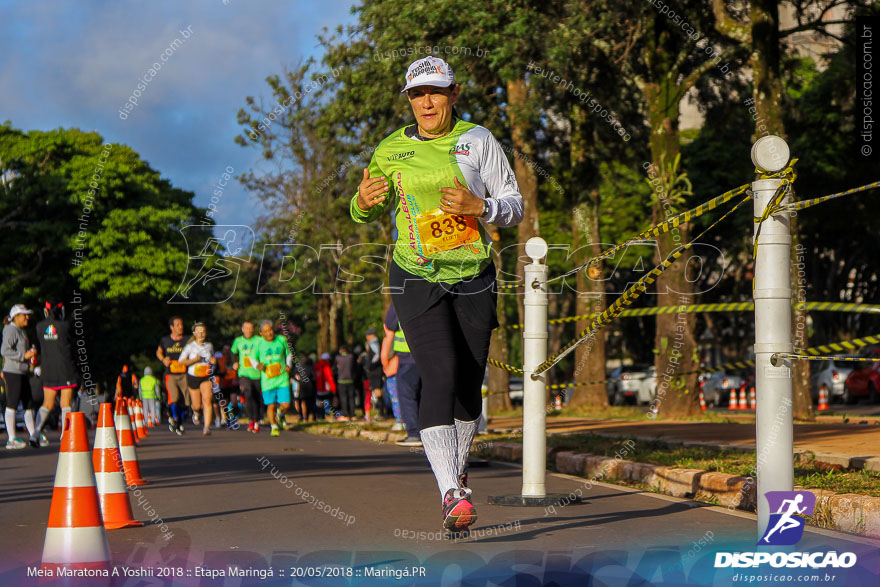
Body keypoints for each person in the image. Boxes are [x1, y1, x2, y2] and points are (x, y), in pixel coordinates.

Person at [349, 56, 523, 532]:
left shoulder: (478, 140)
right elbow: (365, 206)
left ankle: (457, 470)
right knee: (439, 371)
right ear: (409, 100)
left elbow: (514, 205)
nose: (426, 102)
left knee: (468, 382)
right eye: (417, 94)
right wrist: (361, 203)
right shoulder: (390, 149)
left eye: (436, 92)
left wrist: (480, 205)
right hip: (415, 273)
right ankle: (450, 491)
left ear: (454, 93)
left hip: (473, 273)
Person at [33, 299, 79, 445]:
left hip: (48, 369)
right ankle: (65, 436)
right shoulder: (65, 326)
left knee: (47, 404)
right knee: (66, 404)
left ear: (46, 311)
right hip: (65, 369)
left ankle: (35, 433)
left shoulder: (39, 327)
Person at [383, 304, 422, 447]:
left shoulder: (401, 297)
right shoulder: (430, 292)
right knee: (425, 395)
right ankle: (429, 432)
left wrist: (385, 358)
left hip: (407, 358)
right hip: (428, 355)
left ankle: (414, 433)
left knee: (407, 396)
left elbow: (389, 326)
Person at [2, 305, 38, 449]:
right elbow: (4, 350)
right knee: (12, 403)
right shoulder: (11, 329)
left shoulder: (19, 330)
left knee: (29, 404)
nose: (27, 317)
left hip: (22, 372)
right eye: (24, 315)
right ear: (16, 317)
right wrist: (23, 356)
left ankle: (34, 434)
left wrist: (30, 356)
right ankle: (11, 439)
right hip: (13, 372)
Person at [178, 322, 216, 436]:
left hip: (206, 375)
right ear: (194, 333)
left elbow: (212, 359)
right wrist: (194, 360)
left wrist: (213, 361)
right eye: (198, 331)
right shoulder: (190, 347)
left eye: (203, 331)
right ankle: (196, 411)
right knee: (197, 405)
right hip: (193, 376)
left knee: (207, 399)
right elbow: (181, 361)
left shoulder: (209, 346)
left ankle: (207, 427)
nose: (201, 333)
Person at [254, 320, 290, 437]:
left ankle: (280, 414)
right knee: (271, 405)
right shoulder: (258, 344)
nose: (269, 333)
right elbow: (252, 359)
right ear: (261, 333)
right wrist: (257, 365)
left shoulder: (281, 339)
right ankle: (274, 426)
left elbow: (289, 353)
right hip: (267, 380)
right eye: (266, 331)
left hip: (282, 377)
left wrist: (289, 364)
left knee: (286, 405)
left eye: (270, 330)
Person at [157, 316, 189, 434]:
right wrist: (163, 358)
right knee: (174, 398)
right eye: (178, 325)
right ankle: (175, 418)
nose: (181, 327)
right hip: (171, 374)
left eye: (181, 324)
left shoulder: (187, 340)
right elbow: (159, 351)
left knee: (185, 401)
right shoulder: (165, 340)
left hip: (185, 373)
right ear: (172, 327)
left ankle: (179, 421)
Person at [232, 321, 263, 433]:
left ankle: (257, 419)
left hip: (257, 374)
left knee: (256, 397)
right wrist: (234, 363)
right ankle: (251, 420)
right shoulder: (238, 341)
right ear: (242, 329)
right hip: (244, 373)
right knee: (248, 393)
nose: (249, 330)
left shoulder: (259, 340)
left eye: (251, 328)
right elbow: (233, 352)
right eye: (247, 328)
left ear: (253, 329)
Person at [364, 328, 387, 420]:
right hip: (377, 370)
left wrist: (370, 366)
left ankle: (381, 413)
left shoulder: (373, 343)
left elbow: (377, 355)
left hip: (375, 371)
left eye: (367, 335)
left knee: (378, 392)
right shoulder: (376, 342)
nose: (366, 337)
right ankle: (382, 412)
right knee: (378, 391)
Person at [334, 345, 357, 420]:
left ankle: (345, 414)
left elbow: (334, 368)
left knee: (343, 398)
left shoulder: (338, 358)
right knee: (351, 398)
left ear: (341, 350)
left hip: (341, 380)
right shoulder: (351, 357)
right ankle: (353, 414)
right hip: (350, 380)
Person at [314, 352, 336, 419]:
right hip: (326, 388)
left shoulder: (316, 365)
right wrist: (334, 389)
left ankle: (320, 416)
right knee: (327, 401)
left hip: (318, 388)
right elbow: (329, 378)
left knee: (319, 402)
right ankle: (327, 414)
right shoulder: (326, 366)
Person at [297, 355, 317, 421]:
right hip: (310, 387)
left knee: (300, 402)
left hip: (301, 387)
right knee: (311, 403)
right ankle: (312, 416)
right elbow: (314, 378)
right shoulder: (311, 368)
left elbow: (295, 376)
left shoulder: (299, 368)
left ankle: (301, 416)